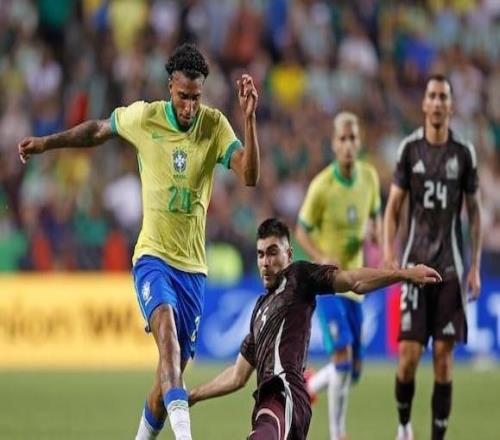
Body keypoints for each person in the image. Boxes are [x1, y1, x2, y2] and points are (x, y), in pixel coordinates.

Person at [18, 43, 260, 440]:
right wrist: (48, 143)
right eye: (183, 97)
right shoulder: (146, 117)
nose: (189, 107)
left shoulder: (215, 126)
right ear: (170, 88)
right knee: (168, 344)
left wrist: (249, 120)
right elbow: (98, 130)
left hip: (193, 271)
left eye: (196, 98)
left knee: (165, 385)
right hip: (153, 258)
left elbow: (249, 175)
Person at [188, 218, 441, 440]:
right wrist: (194, 395)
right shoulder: (259, 310)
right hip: (280, 406)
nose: (265, 262)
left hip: (282, 396)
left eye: (273, 252)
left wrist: (404, 274)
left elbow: (353, 281)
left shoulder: (299, 277)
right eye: (261, 254)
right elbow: (237, 376)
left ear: (289, 254)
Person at [383, 74, 482, 440]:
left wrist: (474, 267)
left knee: (443, 359)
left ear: (451, 106)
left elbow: (475, 212)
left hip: (451, 270)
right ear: (424, 104)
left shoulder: (463, 153)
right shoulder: (409, 150)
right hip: (414, 268)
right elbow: (393, 207)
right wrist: (390, 252)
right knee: (408, 357)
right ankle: (404, 426)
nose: (438, 102)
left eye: (444, 97)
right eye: (433, 96)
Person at [295, 111, 382, 440]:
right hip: (328, 285)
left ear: (359, 142)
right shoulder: (322, 186)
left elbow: (375, 214)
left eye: (352, 138)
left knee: (352, 370)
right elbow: (301, 231)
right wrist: (320, 259)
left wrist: (375, 231)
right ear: (334, 144)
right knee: (342, 356)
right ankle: (337, 433)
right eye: (342, 139)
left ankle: (310, 386)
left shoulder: (369, 178)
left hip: (355, 285)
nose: (347, 144)